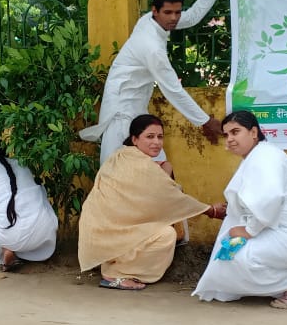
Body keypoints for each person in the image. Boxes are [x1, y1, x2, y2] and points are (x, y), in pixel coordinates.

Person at [79, 0, 232, 162]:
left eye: (177, 12)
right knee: (116, 171)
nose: (174, 18)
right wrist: (206, 121)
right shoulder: (151, 47)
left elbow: (192, 17)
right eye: (168, 12)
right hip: (122, 115)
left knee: (158, 169)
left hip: (137, 111)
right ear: (155, 10)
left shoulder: (151, 21)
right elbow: (173, 90)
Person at [193, 111, 287, 308]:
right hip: (286, 230)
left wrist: (249, 230)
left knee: (238, 257)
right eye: (226, 134)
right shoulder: (257, 156)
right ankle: (285, 285)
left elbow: (270, 197)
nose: (230, 139)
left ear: (253, 132)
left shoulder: (265, 155)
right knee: (228, 254)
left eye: (235, 132)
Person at [78, 114, 224, 290]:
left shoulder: (124, 157)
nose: (156, 142)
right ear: (135, 139)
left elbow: (156, 196)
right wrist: (210, 210)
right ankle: (115, 274)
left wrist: (165, 169)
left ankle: (117, 266)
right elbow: (170, 197)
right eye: (150, 136)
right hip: (110, 233)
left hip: (105, 233)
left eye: (160, 137)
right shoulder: (138, 164)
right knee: (166, 235)